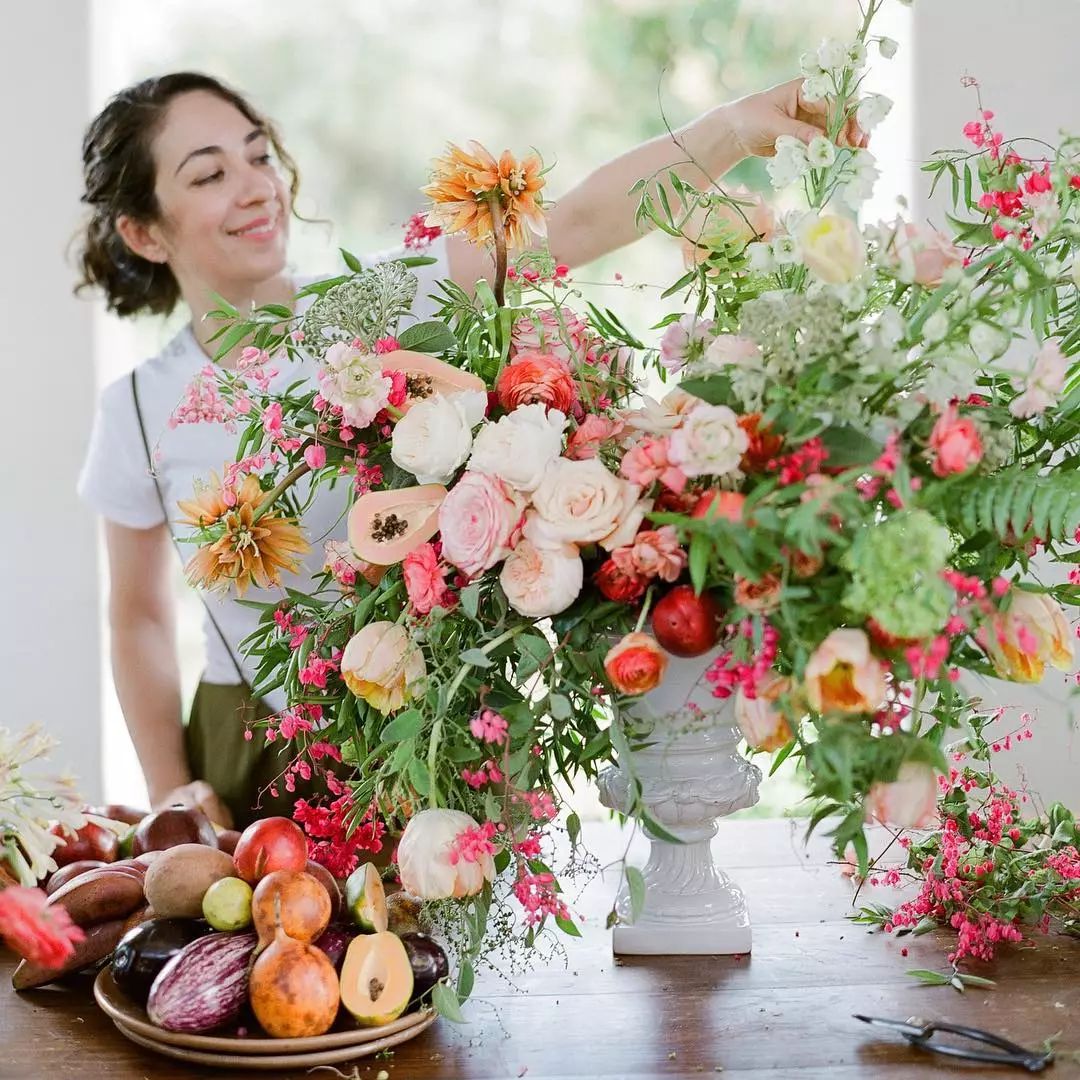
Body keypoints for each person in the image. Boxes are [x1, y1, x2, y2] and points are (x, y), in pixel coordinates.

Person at [76, 70, 859, 829]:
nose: (256, 186)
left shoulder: (371, 303)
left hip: (429, 731)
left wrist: (729, 128)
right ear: (145, 231)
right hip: (244, 747)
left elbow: (579, 221)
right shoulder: (139, 410)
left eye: (258, 155)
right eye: (210, 175)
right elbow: (138, 619)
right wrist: (171, 794)